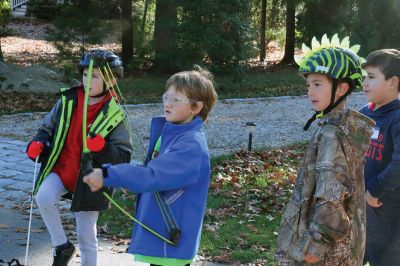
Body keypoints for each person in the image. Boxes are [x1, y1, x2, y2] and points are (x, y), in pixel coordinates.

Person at [82, 66, 217, 266]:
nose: (167, 104)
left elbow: (151, 175)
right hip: (164, 237)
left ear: (196, 108)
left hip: (171, 241)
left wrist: (108, 174)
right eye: (166, 97)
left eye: (176, 100)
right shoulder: (173, 133)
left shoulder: (190, 146)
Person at [26, 49, 133, 266]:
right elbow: (47, 128)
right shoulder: (68, 101)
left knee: (86, 234)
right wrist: (39, 143)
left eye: (94, 76)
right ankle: (62, 246)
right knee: (43, 197)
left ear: (111, 80)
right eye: (84, 74)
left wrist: (102, 147)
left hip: (90, 179)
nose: (87, 80)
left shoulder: (115, 113)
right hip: (62, 169)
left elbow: (123, 157)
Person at [275, 34, 375, 265]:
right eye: (308, 84)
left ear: (341, 88)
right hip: (344, 246)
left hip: (326, 252)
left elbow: (331, 196)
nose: (310, 91)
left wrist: (316, 243)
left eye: (318, 84)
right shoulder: (345, 126)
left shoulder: (331, 133)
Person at [360, 49, 400, 266]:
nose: (365, 83)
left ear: (393, 82)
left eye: (372, 77)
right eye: (365, 77)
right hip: (363, 208)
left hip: (390, 210)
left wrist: (375, 188)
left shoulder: (397, 117)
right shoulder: (364, 114)